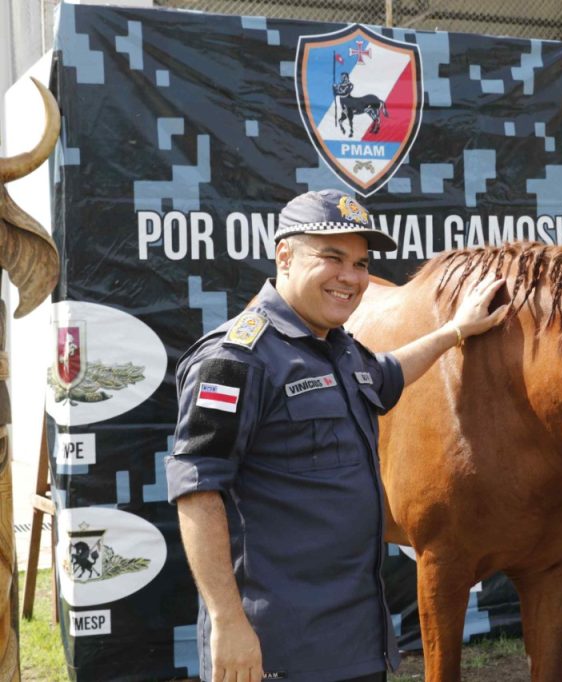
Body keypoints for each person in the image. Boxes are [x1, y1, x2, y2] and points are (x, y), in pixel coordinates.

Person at [166, 189, 507, 682]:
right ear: (285, 256)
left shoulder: (339, 349)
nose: (351, 276)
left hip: (356, 643)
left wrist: (455, 330)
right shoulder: (235, 360)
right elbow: (198, 491)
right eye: (332, 257)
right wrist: (227, 621)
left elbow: (388, 374)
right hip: (277, 650)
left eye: (361, 263)